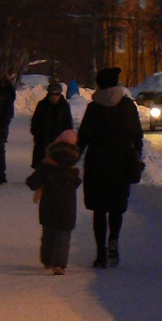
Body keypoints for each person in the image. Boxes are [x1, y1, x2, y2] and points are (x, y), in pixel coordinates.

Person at [76, 67, 144, 269]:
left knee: (99, 210)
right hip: (121, 164)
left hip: (97, 164)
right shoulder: (127, 106)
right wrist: (136, 156)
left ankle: (100, 255)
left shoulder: (94, 108)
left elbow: (84, 137)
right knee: (116, 207)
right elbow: (137, 134)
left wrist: (72, 157)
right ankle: (113, 239)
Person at [25, 129, 82, 275]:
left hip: (48, 206)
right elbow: (77, 183)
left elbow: (32, 182)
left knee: (48, 234)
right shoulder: (72, 172)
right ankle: (60, 264)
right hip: (67, 208)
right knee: (63, 236)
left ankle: (47, 259)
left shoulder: (46, 167)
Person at [30, 82, 74, 169]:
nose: (54, 96)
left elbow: (68, 123)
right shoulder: (42, 105)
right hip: (43, 139)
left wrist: (66, 137)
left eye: (56, 94)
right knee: (41, 163)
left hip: (58, 140)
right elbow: (35, 121)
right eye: (52, 94)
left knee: (56, 163)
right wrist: (37, 133)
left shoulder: (64, 106)